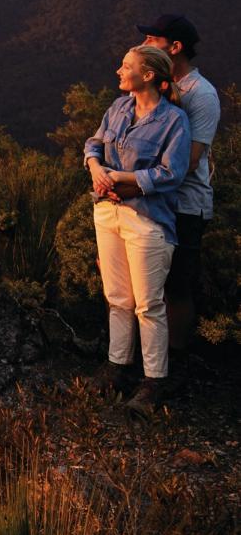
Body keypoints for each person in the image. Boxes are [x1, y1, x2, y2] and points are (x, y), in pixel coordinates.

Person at [85, 45, 191, 414]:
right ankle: (117, 367)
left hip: (146, 220)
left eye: (126, 66)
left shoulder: (173, 120)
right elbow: (94, 143)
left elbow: (171, 173)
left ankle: (153, 381)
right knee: (117, 297)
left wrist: (120, 176)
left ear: (148, 75)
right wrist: (96, 168)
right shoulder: (118, 109)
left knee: (148, 304)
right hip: (108, 213)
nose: (118, 70)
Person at [134, 15, 220, 387]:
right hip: (152, 198)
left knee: (177, 285)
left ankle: (176, 360)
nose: (145, 44)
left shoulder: (201, 95)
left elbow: (192, 159)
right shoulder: (156, 82)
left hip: (184, 203)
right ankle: (141, 355)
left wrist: (136, 182)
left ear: (175, 47)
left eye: (153, 38)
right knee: (144, 284)